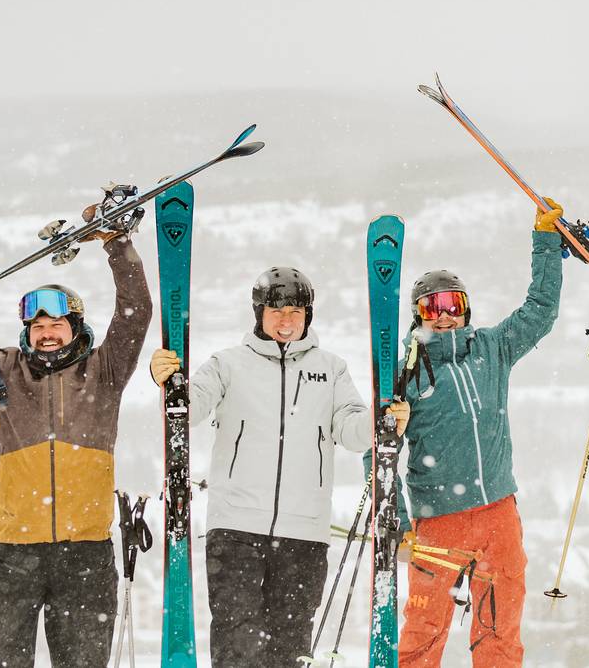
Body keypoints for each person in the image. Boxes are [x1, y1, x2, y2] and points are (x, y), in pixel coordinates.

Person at [0, 207, 151, 668]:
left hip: (86, 552)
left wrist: (117, 245)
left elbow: (135, 313)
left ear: (75, 327)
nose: (46, 334)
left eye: (56, 325)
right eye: (37, 326)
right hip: (15, 553)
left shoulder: (104, 371)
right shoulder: (0, 370)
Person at [146, 266, 409, 667]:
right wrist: (169, 380)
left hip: (304, 533)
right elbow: (190, 409)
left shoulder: (331, 368)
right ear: (259, 314)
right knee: (239, 644)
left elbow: (353, 432)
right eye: (277, 312)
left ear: (308, 316)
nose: (286, 321)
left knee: (290, 649)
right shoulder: (228, 363)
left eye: (295, 312)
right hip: (235, 530)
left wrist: (383, 422)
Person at [393, 199, 569, 667]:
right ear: (418, 315)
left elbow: (539, 312)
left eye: (452, 305)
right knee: (423, 637)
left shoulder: (492, 348)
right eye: (432, 307)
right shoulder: (405, 372)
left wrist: (546, 241)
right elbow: (378, 450)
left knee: (500, 635)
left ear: (466, 309)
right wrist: (395, 519)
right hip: (438, 519)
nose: (444, 314)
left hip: (498, 515)